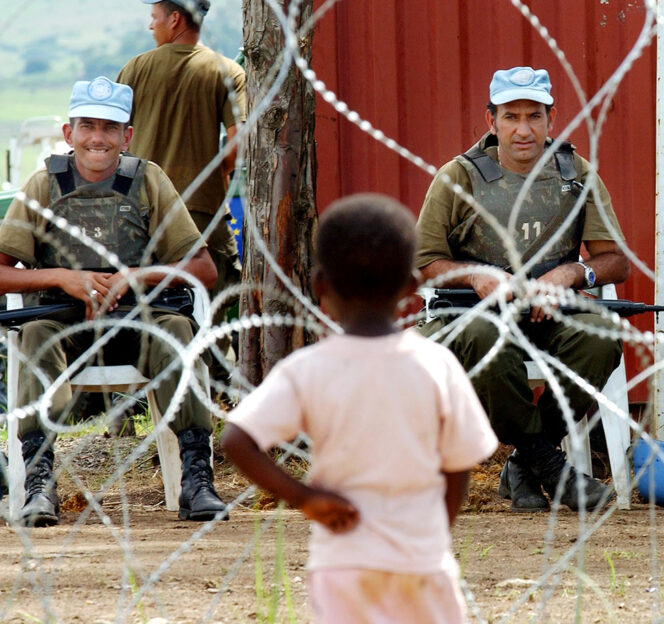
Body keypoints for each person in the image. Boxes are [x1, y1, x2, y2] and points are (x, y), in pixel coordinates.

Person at [222, 193, 498, 623]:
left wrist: (305, 497)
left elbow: (236, 439)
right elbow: (458, 465)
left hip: (342, 561)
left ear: (320, 288)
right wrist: (434, 533)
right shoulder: (436, 365)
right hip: (420, 558)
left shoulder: (309, 369)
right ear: (411, 288)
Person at [0, 77, 229, 526]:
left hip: (138, 327)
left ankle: (197, 479)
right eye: (87, 126)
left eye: (110, 128)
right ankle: (40, 483)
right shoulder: (44, 185)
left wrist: (135, 277)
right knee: (33, 337)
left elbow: (203, 269)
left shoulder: (148, 182)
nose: (98, 138)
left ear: (127, 135)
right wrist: (62, 278)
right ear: (70, 133)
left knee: (178, 330)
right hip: (64, 328)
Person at [415, 66, 630, 512]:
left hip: (551, 313)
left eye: (534, 116)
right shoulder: (458, 178)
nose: (523, 129)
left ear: (551, 119)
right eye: (511, 117)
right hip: (473, 315)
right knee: (482, 340)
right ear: (491, 120)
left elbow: (616, 261)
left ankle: (524, 465)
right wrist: (475, 276)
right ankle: (550, 468)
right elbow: (423, 265)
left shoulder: (575, 174)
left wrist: (571, 274)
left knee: (603, 334)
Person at [118, 0, 246, 374]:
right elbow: (238, 141)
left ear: (175, 19)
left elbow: (110, 135)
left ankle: (138, 390)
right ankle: (216, 387)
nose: (150, 26)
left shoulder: (135, 69)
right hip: (201, 209)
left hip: (139, 212)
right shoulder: (226, 71)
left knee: (141, 299)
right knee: (217, 295)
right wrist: (216, 174)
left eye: (154, 18)